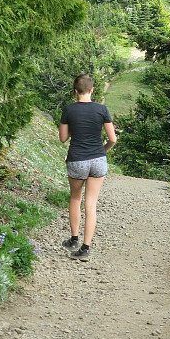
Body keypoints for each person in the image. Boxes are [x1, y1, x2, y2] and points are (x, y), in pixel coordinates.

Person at [59, 74, 117, 261]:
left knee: (76, 198)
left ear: (75, 91)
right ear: (92, 90)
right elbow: (113, 139)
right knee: (91, 204)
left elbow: (63, 138)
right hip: (98, 159)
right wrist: (103, 150)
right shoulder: (102, 110)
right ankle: (85, 249)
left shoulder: (69, 110)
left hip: (77, 159)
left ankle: (74, 239)